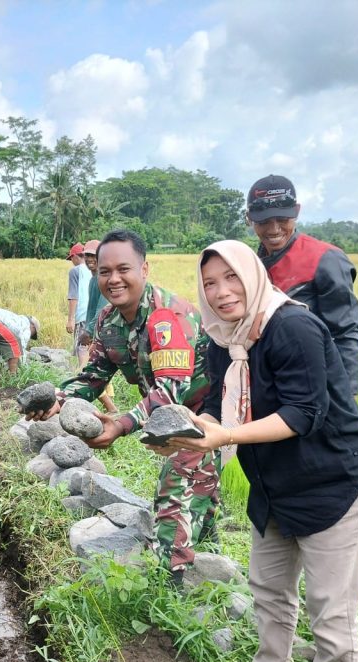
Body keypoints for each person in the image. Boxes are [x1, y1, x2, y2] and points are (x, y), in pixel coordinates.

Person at [160, 239, 358, 662]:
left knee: (332, 613)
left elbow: (305, 412)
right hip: (275, 488)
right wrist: (196, 429)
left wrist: (222, 438)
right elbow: (216, 407)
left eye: (230, 278)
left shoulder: (292, 327)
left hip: (331, 486)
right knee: (269, 592)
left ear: (253, 276)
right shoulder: (222, 339)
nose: (220, 291)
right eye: (209, 283)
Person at [29, 229, 219, 575]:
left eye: (124, 269)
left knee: (174, 495)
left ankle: (169, 590)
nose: (113, 279)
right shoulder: (108, 319)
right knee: (197, 499)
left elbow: (171, 391)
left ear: (144, 270)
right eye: (104, 271)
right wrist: (58, 400)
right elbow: (94, 376)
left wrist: (119, 424)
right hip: (174, 419)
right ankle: (210, 571)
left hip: (206, 417)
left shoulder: (166, 317)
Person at [245, 174, 358, 395]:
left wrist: (346, 397)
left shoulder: (325, 259)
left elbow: (345, 333)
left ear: (297, 211)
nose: (273, 229)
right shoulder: (250, 264)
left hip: (313, 383)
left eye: (282, 219)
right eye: (263, 221)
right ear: (249, 218)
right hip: (270, 383)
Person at [79, 239, 119, 415]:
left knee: (88, 371)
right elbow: (91, 309)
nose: (89, 259)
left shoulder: (102, 280)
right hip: (96, 332)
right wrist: (87, 331)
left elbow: (102, 309)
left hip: (105, 331)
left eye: (92, 255)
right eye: (86, 255)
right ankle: (110, 408)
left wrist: (89, 332)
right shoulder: (91, 280)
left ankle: (111, 408)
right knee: (98, 370)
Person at [65, 242, 91, 366]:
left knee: (82, 347)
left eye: (71, 258)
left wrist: (71, 319)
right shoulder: (96, 269)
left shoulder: (75, 271)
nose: (72, 261)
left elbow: (73, 296)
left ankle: (82, 375)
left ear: (75, 256)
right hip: (98, 316)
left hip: (82, 316)